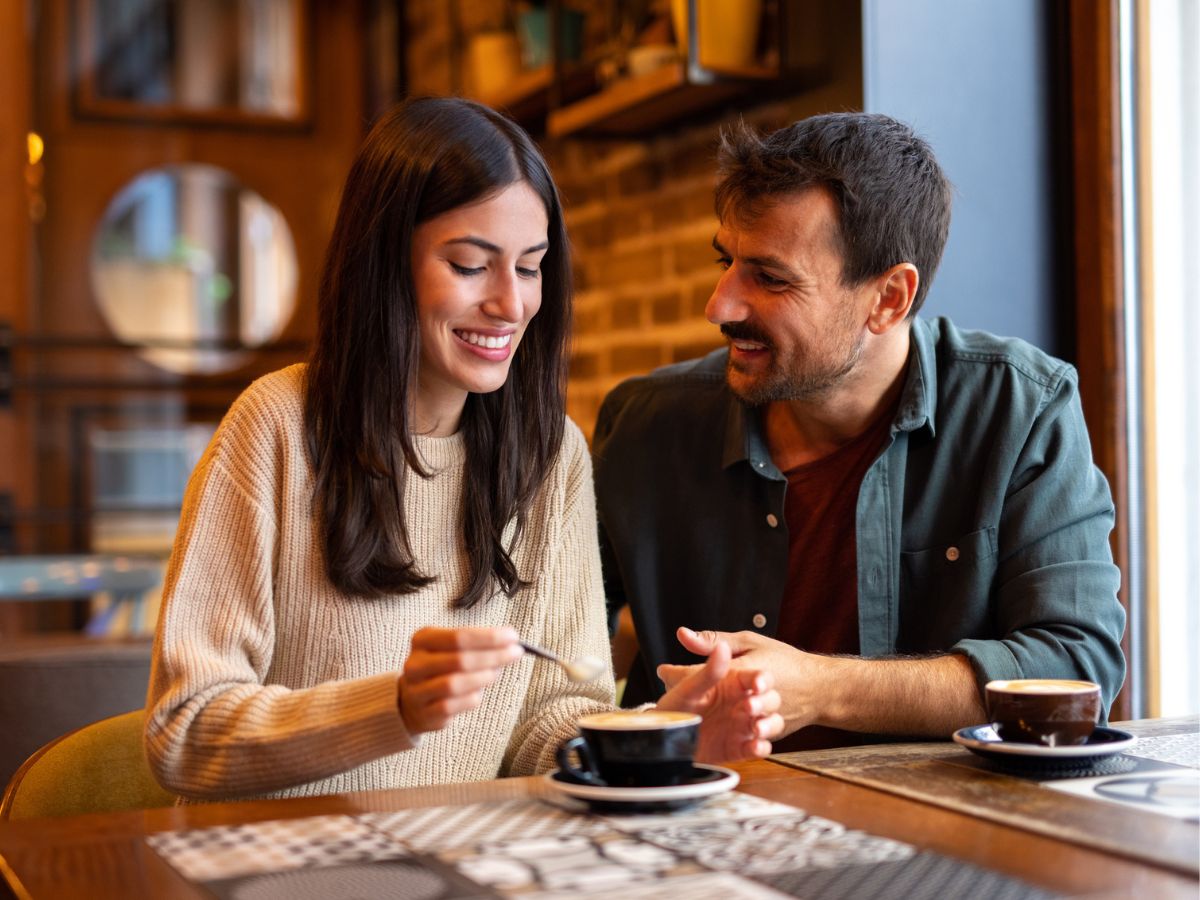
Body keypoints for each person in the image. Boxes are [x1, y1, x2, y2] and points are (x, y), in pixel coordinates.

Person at [144, 97, 781, 801]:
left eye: (531, 267)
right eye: (472, 265)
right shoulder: (277, 429)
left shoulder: (550, 457)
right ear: (386, 263)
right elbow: (185, 732)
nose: (511, 303)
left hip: (466, 864)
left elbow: (547, 726)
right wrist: (393, 709)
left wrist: (661, 737)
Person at [593, 112, 1126, 751]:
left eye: (769, 277)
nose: (720, 305)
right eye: (725, 260)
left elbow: (1076, 664)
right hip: (692, 822)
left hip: (934, 833)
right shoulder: (644, 426)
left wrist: (822, 686)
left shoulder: (1019, 409)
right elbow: (557, 658)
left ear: (889, 299)